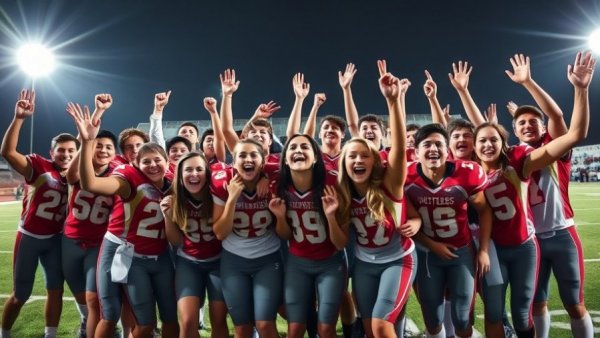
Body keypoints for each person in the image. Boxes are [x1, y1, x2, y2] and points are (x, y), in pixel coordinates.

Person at [506, 52, 595, 338]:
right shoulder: (514, 156)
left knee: (574, 304)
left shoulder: (554, 148)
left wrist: (529, 83)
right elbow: (486, 139)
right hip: (530, 241)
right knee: (537, 303)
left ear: (544, 128)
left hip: (561, 235)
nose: (528, 125)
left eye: (534, 122)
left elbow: (557, 115)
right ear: (514, 131)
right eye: (521, 123)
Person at [69, 106, 179, 338]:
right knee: (115, 315)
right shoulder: (128, 177)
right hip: (124, 251)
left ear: (167, 162)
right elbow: (91, 184)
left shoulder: (174, 181)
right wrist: (88, 142)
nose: (152, 165)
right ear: (136, 164)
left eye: (157, 160)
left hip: (160, 256)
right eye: (145, 161)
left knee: (171, 318)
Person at [336, 60, 420, 338]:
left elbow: (397, 147)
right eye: (352, 156)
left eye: (364, 156)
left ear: (375, 161)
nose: (358, 160)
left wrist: (394, 102)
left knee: (382, 326)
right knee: (369, 328)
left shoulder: (390, 184)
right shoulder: (342, 189)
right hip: (363, 263)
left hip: (398, 259)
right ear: (343, 163)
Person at [0, 89, 79, 338]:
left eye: (70, 151)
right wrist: (20, 119)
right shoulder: (39, 166)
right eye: (61, 150)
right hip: (30, 237)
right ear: (51, 151)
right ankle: (4, 332)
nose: (66, 155)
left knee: (55, 290)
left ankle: (50, 334)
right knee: (20, 294)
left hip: (55, 239)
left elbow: (84, 149)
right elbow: (8, 153)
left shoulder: (78, 174)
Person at [405, 123, 492, 338]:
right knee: (433, 321)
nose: (433, 149)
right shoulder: (405, 177)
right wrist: (433, 245)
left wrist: (483, 250)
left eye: (439, 144)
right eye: (427, 144)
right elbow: (406, 222)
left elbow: (485, 211)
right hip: (427, 254)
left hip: (461, 251)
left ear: (447, 150)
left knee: (463, 319)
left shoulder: (467, 173)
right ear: (416, 152)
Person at [269, 134, 347, 338]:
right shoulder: (279, 184)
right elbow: (285, 235)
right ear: (285, 158)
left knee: (326, 328)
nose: (298, 151)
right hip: (297, 262)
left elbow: (341, 243)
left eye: (305, 147)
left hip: (331, 262)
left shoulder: (332, 181)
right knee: (295, 329)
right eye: (292, 147)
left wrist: (330, 217)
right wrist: (280, 217)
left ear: (315, 157)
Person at [211, 138, 283, 338]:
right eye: (242, 155)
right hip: (234, 259)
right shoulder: (223, 181)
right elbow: (220, 232)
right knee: (242, 329)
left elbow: (280, 163)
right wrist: (232, 198)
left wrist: (267, 177)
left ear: (263, 161)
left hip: (267, 257)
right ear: (233, 162)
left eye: (253, 155)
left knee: (265, 324)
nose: (247, 159)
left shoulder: (274, 176)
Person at [63, 94, 117, 338]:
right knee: (80, 296)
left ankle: (93, 329)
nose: (103, 149)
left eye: (109, 147)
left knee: (93, 298)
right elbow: (71, 174)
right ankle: (88, 323)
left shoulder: (119, 173)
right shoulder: (80, 169)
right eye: (99, 145)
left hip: (98, 244)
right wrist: (96, 116)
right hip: (70, 241)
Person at [160, 151, 228, 338]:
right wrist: (167, 215)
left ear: (207, 174)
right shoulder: (175, 199)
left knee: (219, 321)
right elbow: (175, 241)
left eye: (199, 169)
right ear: (180, 177)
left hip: (219, 262)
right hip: (189, 263)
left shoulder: (218, 196)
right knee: (188, 322)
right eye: (188, 170)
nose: (194, 174)